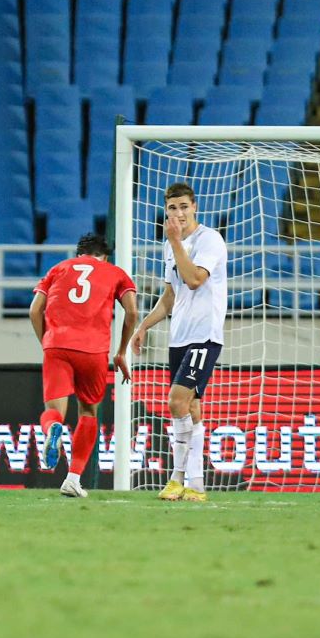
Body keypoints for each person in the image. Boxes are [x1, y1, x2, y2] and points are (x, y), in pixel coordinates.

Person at [130, 182, 228, 503]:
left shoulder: (209, 240)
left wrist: (175, 243)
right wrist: (143, 325)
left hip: (204, 335)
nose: (178, 213)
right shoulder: (169, 246)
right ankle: (196, 486)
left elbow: (195, 279)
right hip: (180, 336)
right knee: (192, 408)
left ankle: (176, 477)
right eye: (172, 208)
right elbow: (171, 297)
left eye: (184, 206)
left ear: (195, 207)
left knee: (176, 403)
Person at [30, 233, 138, 498]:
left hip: (57, 344)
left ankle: (52, 429)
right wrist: (121, 351)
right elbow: (132, 312)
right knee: (88, 412)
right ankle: (73, 479)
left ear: (79, 253)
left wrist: (47, 341)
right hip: (93, 349)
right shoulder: (115, 272)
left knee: (54, 410)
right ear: (105, 256)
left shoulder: (58, 269)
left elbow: (35, 310)